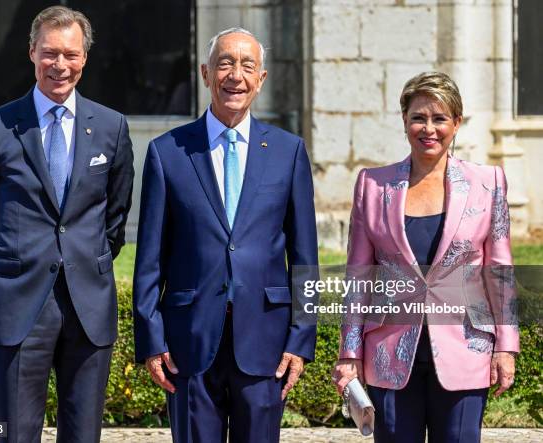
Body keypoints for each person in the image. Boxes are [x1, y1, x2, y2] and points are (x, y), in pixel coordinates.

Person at [133, 27, 318, 443]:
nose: (236, 75)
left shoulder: (289, 152)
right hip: (189, 344)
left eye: (247, 65)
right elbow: (149, 258)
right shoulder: (168, 152)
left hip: (266, 343)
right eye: (225, 63)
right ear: (205, 73)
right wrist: (151, 338)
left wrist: (301, 339)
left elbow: (305, 257)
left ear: (261, 79)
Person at [0, 6, 134, 442]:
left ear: (85, 59)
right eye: (50, 53)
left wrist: (84, 261)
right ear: (32, 52)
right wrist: (7, 273)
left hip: (88, 307)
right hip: (18, 305)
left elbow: (115, 216)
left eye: (71, 55)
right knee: (16, 434)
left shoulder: (111, 128)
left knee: (83, 435)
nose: (60, 65)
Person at [332, 71, 519, 443]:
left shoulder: (489, 182)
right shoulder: (372, 185)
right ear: (404, 121)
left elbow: (500, 270)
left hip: (467, 349)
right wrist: (349, 351)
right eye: (419, 117)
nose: (428, 128)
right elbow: (359, 277)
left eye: (439, 118)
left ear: (456, 123)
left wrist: (506, 345)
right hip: (389, 353)